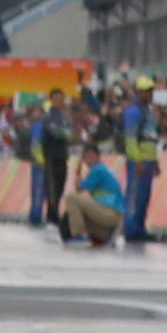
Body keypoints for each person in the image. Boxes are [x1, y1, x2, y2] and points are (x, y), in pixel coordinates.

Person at [60, 143, 124, 246]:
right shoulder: (103, 169)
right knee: (80, 213)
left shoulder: (98, 169)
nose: (88, 159)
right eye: (86, 156)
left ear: (98, 156)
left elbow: (79, 189)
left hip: (109, 211)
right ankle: (103, 234)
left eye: (90, 156)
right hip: (112, 213)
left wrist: (78, 171)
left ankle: (79, 235)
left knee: (71, 198)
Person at [120, 75, 158, 242]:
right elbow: (130, 138)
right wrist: (137, 160)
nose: (149, 94)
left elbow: (151, 137)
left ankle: (140, 228)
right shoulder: (134, 112)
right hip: (139, 161)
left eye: (150, 91)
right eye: (145, 91)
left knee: (144, 196)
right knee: (134, 195)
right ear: (139, 92)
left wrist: (155, 161)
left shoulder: (148, 111)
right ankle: (130, 229)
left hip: (149, 160)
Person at [38, 89, 74, 231]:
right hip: (51, 157)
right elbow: (56, 133)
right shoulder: (48, 117)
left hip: (62, 156)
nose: (59, 102)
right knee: (52, 187)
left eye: (61, 99)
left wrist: (65, 134)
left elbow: (70, 134)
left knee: (60, 185)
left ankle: (55, 213)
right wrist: (64, 134)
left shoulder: (65, 117)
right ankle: (51, 216)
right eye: (56, 99)